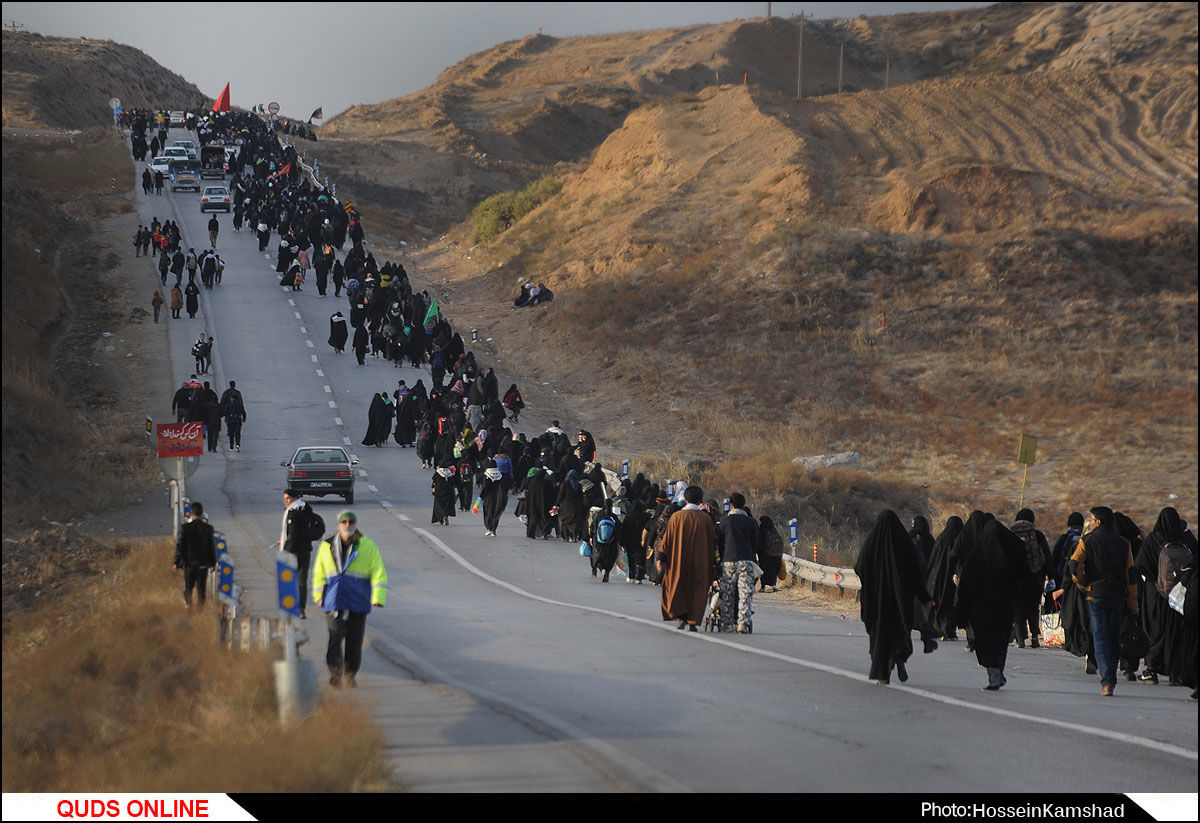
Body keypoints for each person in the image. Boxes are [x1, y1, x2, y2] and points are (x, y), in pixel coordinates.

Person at [854, 510, 937, 685]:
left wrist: (872, 581)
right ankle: (899, 658)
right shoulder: (904, 543)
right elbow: (916, 575)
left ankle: (883, 673)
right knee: (899, 632)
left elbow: (859, 567)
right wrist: (925, 598)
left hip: (876, 600)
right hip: (901, 600)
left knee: (879, 636)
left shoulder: (871, 543)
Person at [311, 511, 388, 688]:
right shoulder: (326, 546)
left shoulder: (367, 546)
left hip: (357, 599)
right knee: (335, 637)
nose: (347, 525)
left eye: (350, 521)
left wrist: (377, 597)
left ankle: (351, 674)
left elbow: (378, 573)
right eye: (344, 522)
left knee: (355, 640)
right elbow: (318, 573)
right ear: (339, 525)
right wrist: (317, 596)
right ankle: (335, 674)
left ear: (355, 524)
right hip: (333, 600)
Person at [1070, 507, 1139, 696]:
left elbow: (1074, 565)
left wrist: (1083, 582)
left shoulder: (1087, 540)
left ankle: (1107, 681)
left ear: (1098, 522)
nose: (1089, 523)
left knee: (1100, 637)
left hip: (1095, 594)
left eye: (1091, 519)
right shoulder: (1124, 543)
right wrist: (1133, 603)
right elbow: (1130, 576)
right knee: (1113, 637)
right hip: (1117, 596)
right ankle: (1111, 678)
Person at [956, 520, 1032, 690]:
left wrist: (963, 609)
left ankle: (994, 674)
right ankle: (998, 671)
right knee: (1001, 641)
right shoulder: (1013, 551)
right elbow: (1025, 577)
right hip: (1005, 606)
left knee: (985, 641)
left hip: (981, 608)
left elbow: (966, 583)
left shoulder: (978, 554)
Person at [1135, 507, 1198, 687]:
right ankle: (1176, 672)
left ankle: (1151, 670)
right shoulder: (1185, 539)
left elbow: (1141, 566)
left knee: (1154, 631)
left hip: (1155, 596)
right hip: (1179, 594)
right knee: (1177, 633)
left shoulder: (1153, 540)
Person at [656, 486, 717, 632]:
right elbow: (713, 543)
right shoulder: (706, 520)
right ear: (700, 500)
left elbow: (667, 540)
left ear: (686, 498)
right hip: (701, 562)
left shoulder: (676, 517)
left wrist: (661, 558)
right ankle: (693, 620)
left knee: (678, 586)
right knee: (697, 589)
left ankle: (681, 617)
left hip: (678, 561)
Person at [716, 493, 759, 633]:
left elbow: (719, 542)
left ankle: (727, 623)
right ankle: (743, 623)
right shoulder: (751, 522)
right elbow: (755, 543)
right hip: (746, 560)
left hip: (728, 560)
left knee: (728, 593)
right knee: (745, 592)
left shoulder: (724, 521)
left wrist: (722, 557)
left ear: (731, 505)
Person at [1011, 508, 1051, 649]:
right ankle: (1035, 638)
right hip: (1035, 576)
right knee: (1033, 607)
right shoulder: (1037, 534)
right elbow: (1047, 556)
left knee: (1018, 607)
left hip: (1017, 577)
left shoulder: (1010, 534)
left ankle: (1021, 639)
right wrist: (1049, 575)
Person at [276, 489, 317, 619]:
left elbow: (293, 535)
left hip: (294, 552)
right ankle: (301, 609)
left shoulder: (293, 512)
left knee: (289, 580)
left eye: (288, 498)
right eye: (284, 499)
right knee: (302, 581)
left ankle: (290, 607)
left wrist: (286, 550)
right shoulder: (305, 509)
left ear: (294, 498)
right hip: (305, 550)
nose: (286, 501)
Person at [174, 501, 216, 610]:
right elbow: (211, 547)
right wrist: (213, 562)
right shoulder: (208, 529)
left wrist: (176, 562)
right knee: (201, 590)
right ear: (202, 514)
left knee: (188, 588)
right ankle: (200, 611)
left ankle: (189, 608)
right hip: (203, 565)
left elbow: (180, 546)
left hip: (189, 564)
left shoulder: (185, 528)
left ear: (191, 514)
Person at [220, 381, 246, 451]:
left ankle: (231, 443)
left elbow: (222, 401)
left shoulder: (226, 392)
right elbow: (241, 403)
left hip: (229, 413)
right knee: (238, 433)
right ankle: (237, 444)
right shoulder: (238, 393)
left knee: (231, 430)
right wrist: (243, 417)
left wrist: (222, 411)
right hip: (237, 415)